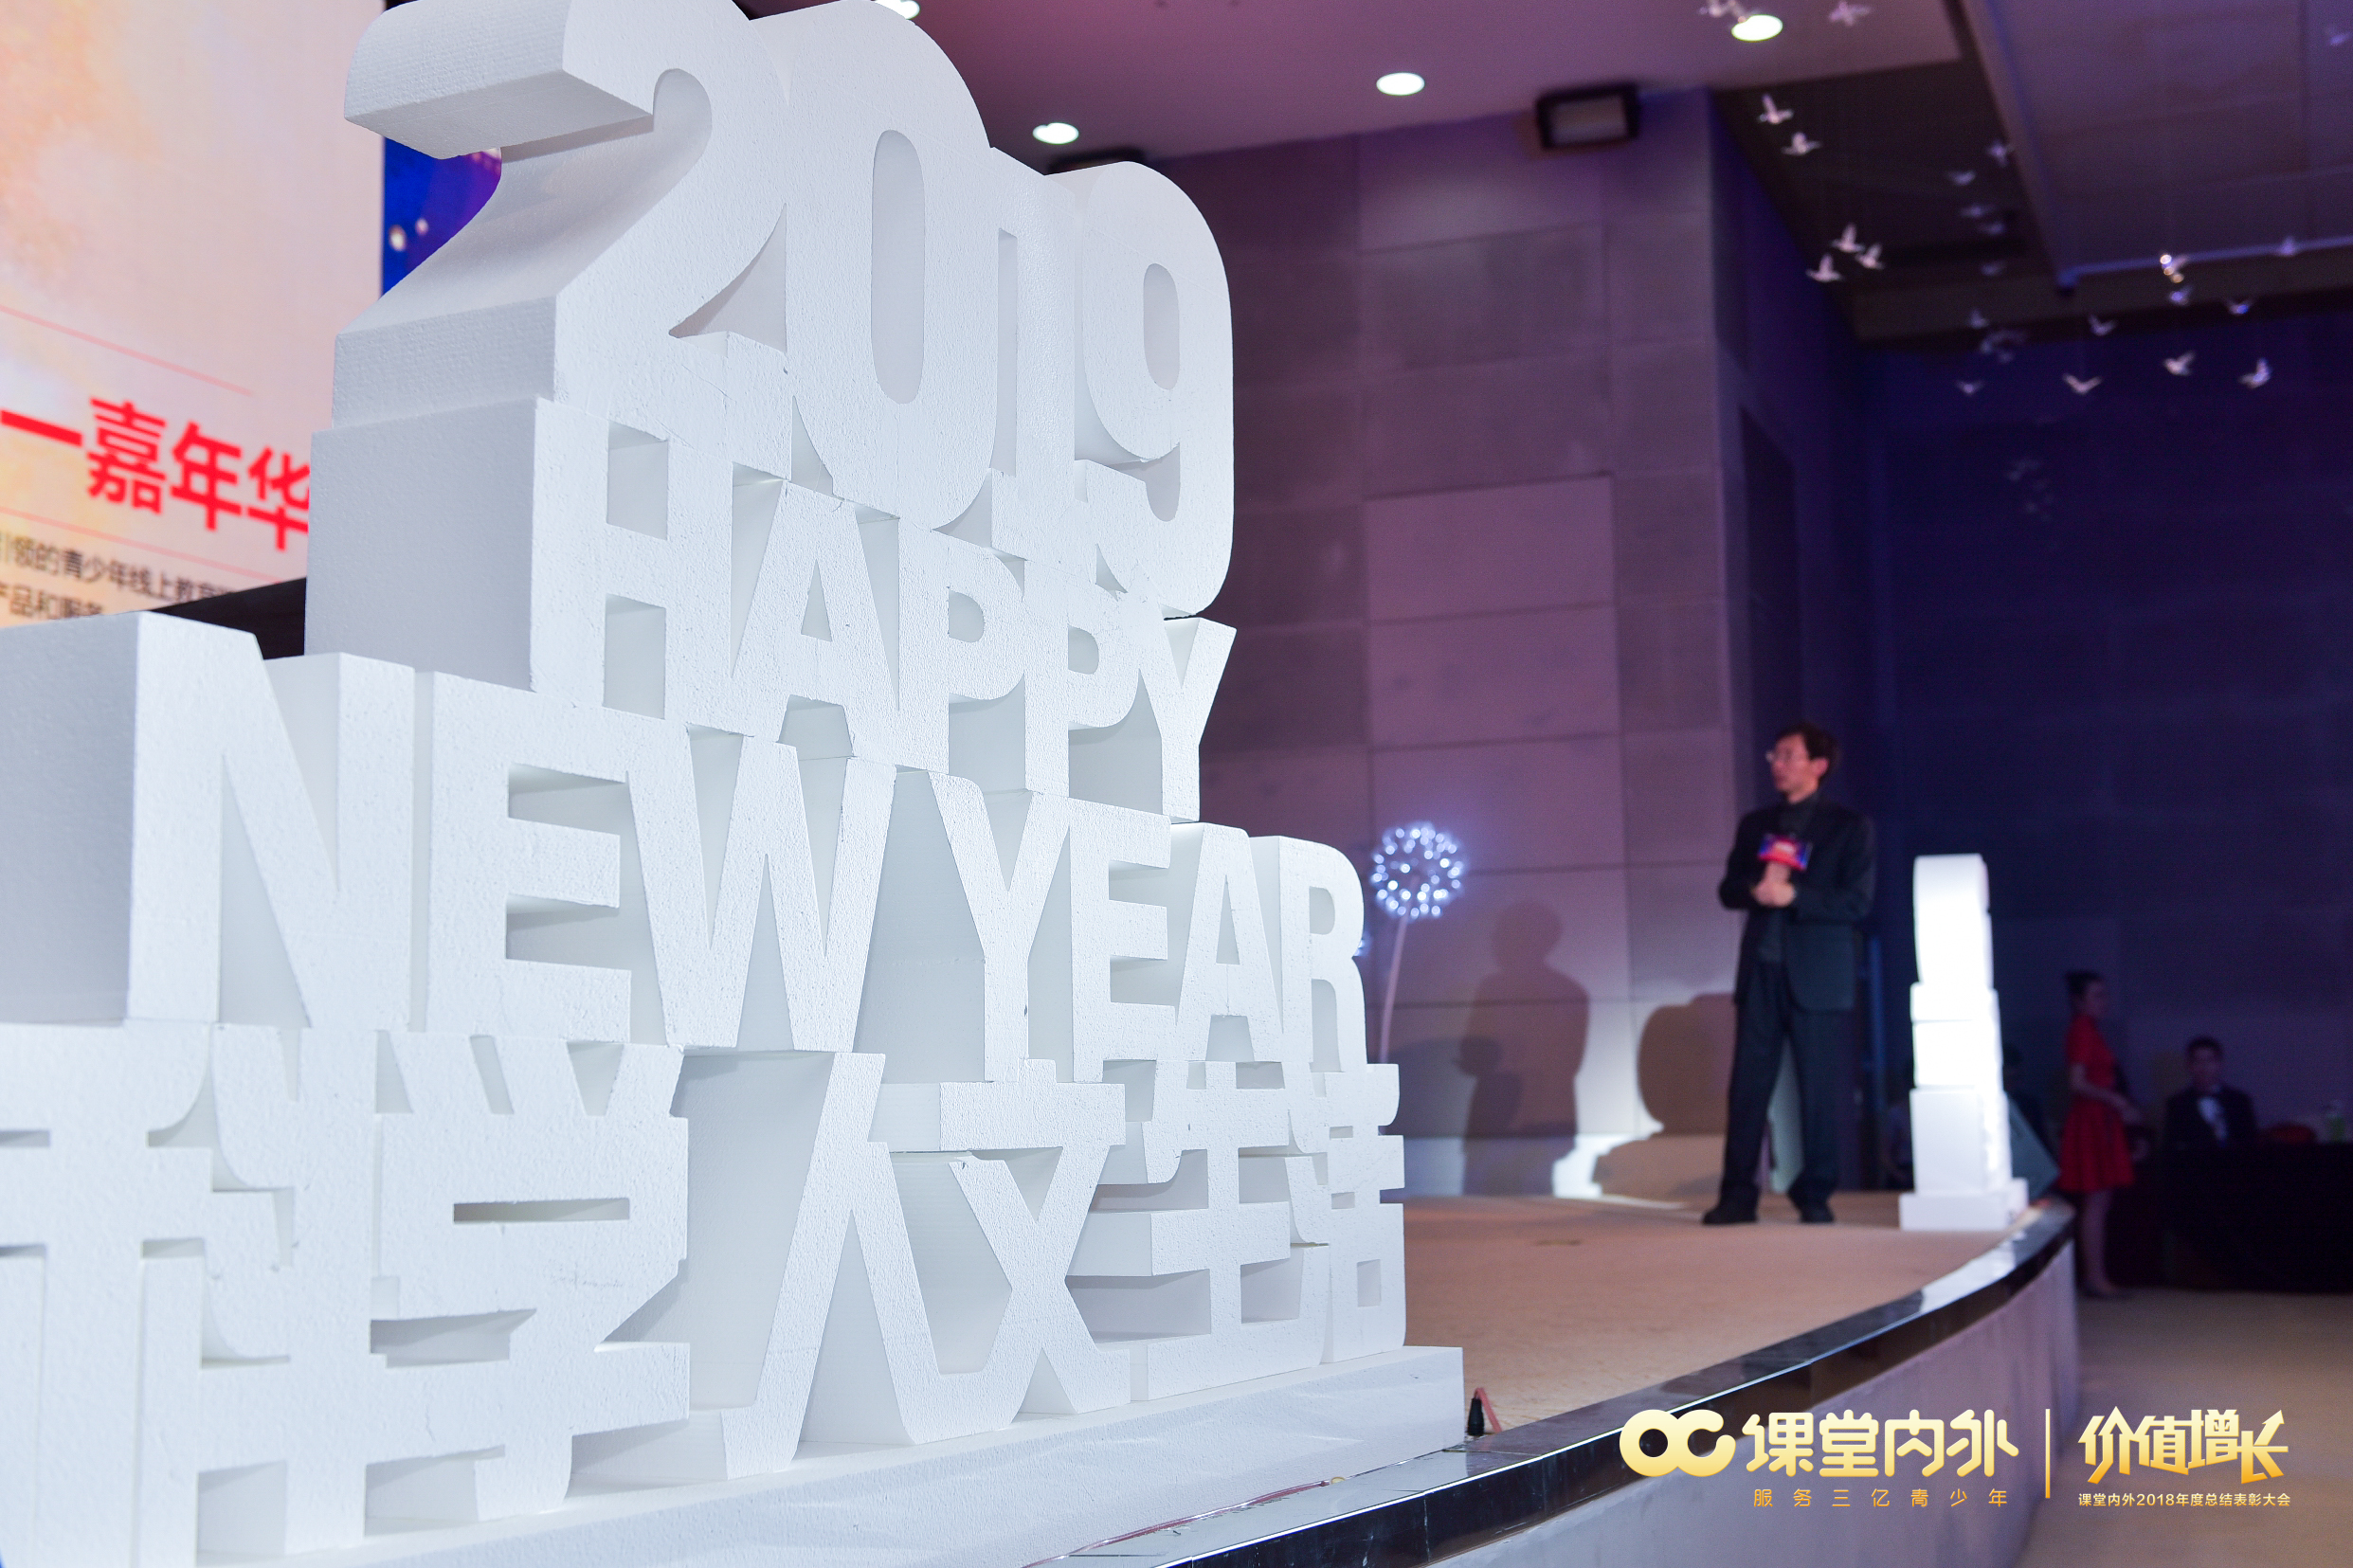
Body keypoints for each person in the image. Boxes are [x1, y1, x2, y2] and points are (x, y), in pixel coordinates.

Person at [1703, 723, 1875, 1227]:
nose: (1777, 764)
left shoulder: (1848, 827)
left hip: (1816, 975)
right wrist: (1754, 890)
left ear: (1818, 766)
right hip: (1762, 970)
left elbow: (1856, 901)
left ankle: (1815, 1193)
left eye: (1788, 756)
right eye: (1774, 755)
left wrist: (1796, 896)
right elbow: (1728, 889)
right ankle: (1737, 1195)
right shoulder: (1757, 824)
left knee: (1817, 1090)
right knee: (1747, 1088)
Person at [2055, 971, 2139, 1297]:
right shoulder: (2081, 1030)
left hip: (2098, 1118)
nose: (2104, 1001)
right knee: (2096, 1199)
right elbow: (2076, 1082)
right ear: (2079, 1001)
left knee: (2101, 1200)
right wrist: (2113, 1099)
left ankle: (2096, 1275)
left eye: (2105, 994)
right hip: (2091, 1119)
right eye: (2097, 996)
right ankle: (2095, 1276)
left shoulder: (2089, 1029)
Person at [2162, 1037, 2258, 1151]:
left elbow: (2251, 1144)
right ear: (2189, 1065)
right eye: (2197, 1061)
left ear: (2219, 1063)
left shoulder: (2239, 1101)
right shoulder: (2177, 1104)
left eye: (2209, 1060)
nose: (2204, 1067)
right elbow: (2172, 1147)